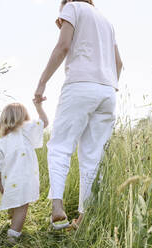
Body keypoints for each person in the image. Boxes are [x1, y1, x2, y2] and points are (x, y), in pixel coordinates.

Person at [34, 0, 123, 229]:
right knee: (93, 157)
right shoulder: (106, 20)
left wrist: (42, 83)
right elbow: (119, 63)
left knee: (60, 146)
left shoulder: (72, 8)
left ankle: (57, 208)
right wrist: (108, 86)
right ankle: (83, 218)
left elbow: (63, 46)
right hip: (107, 91)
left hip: (80, 85)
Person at [0, 101, 48, 243]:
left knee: (16, 204)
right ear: (24, 118)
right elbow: (44, 122)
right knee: (22, 207)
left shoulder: (0, 142)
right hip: (25, 179)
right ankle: (12, 237)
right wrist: (39, 107)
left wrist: (1, 186)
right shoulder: (26, 132)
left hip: (9, 181)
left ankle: (13, 222)